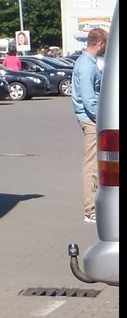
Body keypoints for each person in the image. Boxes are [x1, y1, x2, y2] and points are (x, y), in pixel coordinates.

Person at [71, 27, 107, 223]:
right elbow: (88, 99)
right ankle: (90, 210)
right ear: (100, 43)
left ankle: (93, 207)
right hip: (91, 120)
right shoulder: (86, 65)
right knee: (92, 164)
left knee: (95, 163)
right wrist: (101, 119)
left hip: (89, 118)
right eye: (105, 45)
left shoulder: (86, 62)